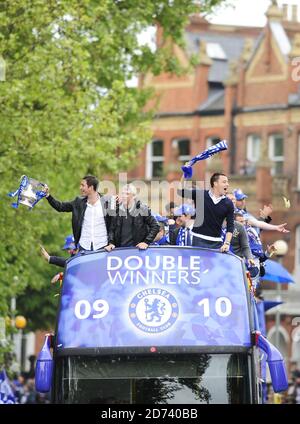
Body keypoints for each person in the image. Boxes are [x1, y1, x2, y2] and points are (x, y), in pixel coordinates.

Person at [44, 175, 113, 252]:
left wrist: (112, 243)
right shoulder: (78, 202)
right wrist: (48, 196)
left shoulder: (108, 203)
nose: (80, 188)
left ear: (91, 187)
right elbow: (60, 207)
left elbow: (115, 225)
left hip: (103, 247)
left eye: (83, 185)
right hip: (84, 247)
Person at [178, 170, 234, 251]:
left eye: (227, 182)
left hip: (216, 242)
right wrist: (185, 175)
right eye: (224, 182)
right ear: (215, 183)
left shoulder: (228, 203)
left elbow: (230, 225)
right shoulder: (200, 194)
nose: (227, 184)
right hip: (197, 239)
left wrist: (227, 243)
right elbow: (181, 192)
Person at [106, 184, 159, 250]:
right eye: (122, 193)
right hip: (119, 251)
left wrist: (146, 242)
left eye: (127, 194)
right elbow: (112, 229)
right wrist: (111, 243)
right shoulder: (117, 210)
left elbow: (155, 226)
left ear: (134, 196)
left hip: (137, 250)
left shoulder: (142, 209)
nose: (124, 196)